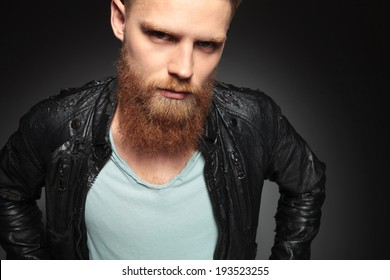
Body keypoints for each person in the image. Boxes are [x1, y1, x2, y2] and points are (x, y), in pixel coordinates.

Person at [0, 0, 325, 260]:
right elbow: (7, 192)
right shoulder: (58, 125)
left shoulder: (254, 121)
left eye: (208, 44)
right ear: (120, 20)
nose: (184, 68)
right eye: (161, 35)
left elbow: (306, 183)